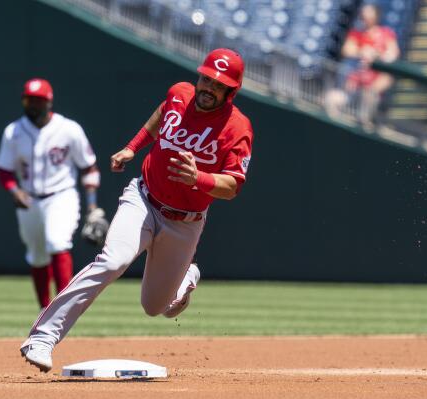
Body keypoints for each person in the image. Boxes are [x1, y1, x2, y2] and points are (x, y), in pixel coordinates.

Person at [19, 48, 254, 373]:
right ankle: (43, 338)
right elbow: (162, 114)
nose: (207, 87)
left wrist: (197, 177)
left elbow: (232, 186)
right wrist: (133, 147)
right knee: (113, 260)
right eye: (205, 78)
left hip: (185, 223)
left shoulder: (237, 127)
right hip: (143, 199)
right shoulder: (179, 94)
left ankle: (187, 276)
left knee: (157, 307)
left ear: (231, 92)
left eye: (218, 84)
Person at [0, 78, 104, 309]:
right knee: (36, 256)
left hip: (61, 195)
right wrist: (13, 190)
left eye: (38, 100)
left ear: (49, 101)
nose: (33, 104)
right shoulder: (13, 132)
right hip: (29, 199)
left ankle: (64, 311)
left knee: (57, 241)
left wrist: (92, 206)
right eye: (29, 99)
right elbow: (4, 170)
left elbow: (89, 168)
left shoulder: (69, 129)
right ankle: (45, 311)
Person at [325, 4, 400, 125]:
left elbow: (393, 54)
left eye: (368, 14)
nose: (364, 17)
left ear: (376, 16)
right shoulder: (357, 33)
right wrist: (361, 51)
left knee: (368, 101)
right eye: (363, 14)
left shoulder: (386, 34)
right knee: (332, 99)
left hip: (372, 86)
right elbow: (347, 50)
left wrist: (377, 55)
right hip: (355, 81)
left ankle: (365, 122)